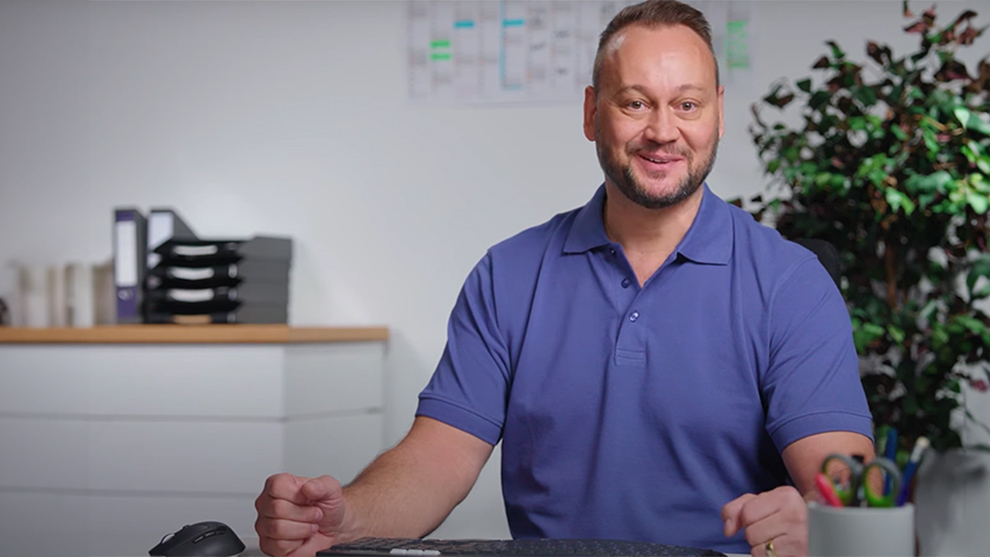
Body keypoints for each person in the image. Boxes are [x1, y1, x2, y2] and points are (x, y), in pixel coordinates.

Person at [254, 1, 875, 556]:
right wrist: (345, 516)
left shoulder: (791, 282)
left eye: (687, 104)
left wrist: (821, 519)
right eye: (635, 102)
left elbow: (840, 475)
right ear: (591, 113)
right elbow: (438, 458)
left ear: (716, 114)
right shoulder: (509, 274)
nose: (663, 130)